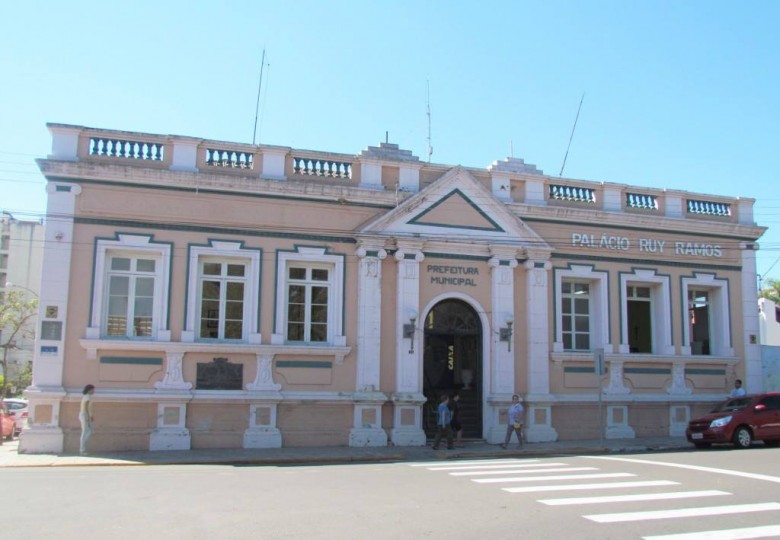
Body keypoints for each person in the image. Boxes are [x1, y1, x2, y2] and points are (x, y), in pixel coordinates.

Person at [79, 384, 95, 455]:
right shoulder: (88, 397)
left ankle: (83, 448)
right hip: (84, 415)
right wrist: (90, 417)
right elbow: (87, 408)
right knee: (86, 431)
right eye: (92, 389)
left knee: (88, 431)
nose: (94, 391)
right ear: (89, 390)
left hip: (84, 414)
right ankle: (82, 450)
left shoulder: (86, 396)